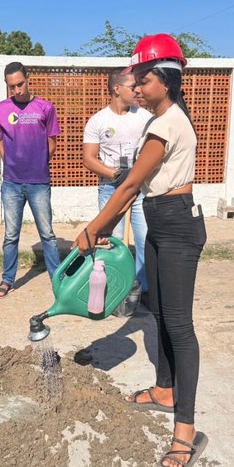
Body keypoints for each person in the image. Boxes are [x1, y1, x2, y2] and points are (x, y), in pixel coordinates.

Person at [73, 34, 207, 467]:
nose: (136, 88)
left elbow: (128, 185)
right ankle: (165, 390)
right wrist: (107, 222)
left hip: (176, 225)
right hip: (163, 216)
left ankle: (185, 430)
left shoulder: (165, 124)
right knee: (162, 317)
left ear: (164, 80)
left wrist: (94, 228)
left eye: (143, 79)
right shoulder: (168, 118)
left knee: (180, 327)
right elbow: (136, 184)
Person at [0, 62, 61, 298]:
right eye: (12, 86)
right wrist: (10, 161)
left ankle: (57, 279)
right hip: (11, 183)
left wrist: (39, 161)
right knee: (11, 235)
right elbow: (0, 140)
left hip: (39, 182)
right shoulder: (0, 109)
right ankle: (7, 279)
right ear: (7, 85)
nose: (17, 90)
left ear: (28, 79)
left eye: (20, 84)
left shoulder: (45, 107)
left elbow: (52, 141)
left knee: (48, 235)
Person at [82, 68, 152, 297]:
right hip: (110, 188)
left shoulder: (143, 117)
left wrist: (136, 176)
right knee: (111, 242)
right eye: (133, 87)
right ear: (117, 89)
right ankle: (114, 291)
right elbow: (89, 159)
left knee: (144, 240)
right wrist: (115, 174)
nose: (137, 91)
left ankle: (144, 291)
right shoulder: (98, 121)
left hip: (141, 189)